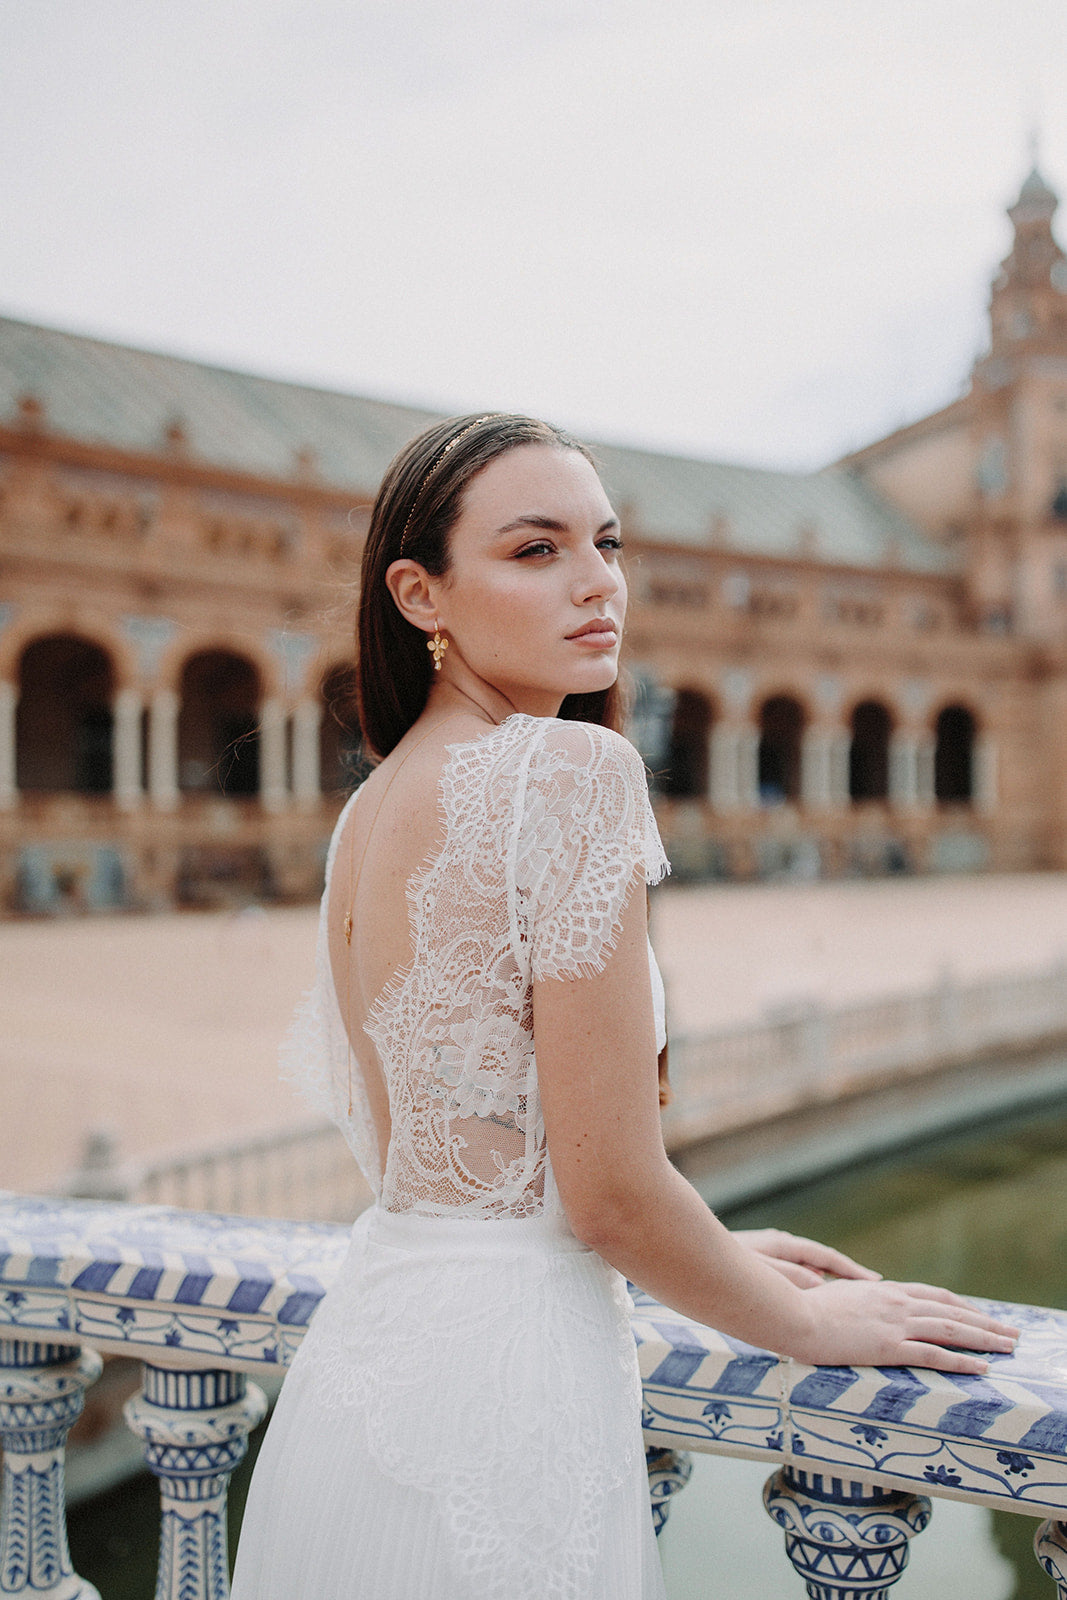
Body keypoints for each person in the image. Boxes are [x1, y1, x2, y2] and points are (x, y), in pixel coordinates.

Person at [231, 414, 1017, 1600]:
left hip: (369, 1368)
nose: (598, 582)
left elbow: (475, 1162)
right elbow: (609, 1195)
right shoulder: (566, 774)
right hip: (508, 1395)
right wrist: (801, 1326)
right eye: (534, 550)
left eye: (604, 542)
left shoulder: (369, 808)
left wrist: (709, 1255)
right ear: (419, 593)